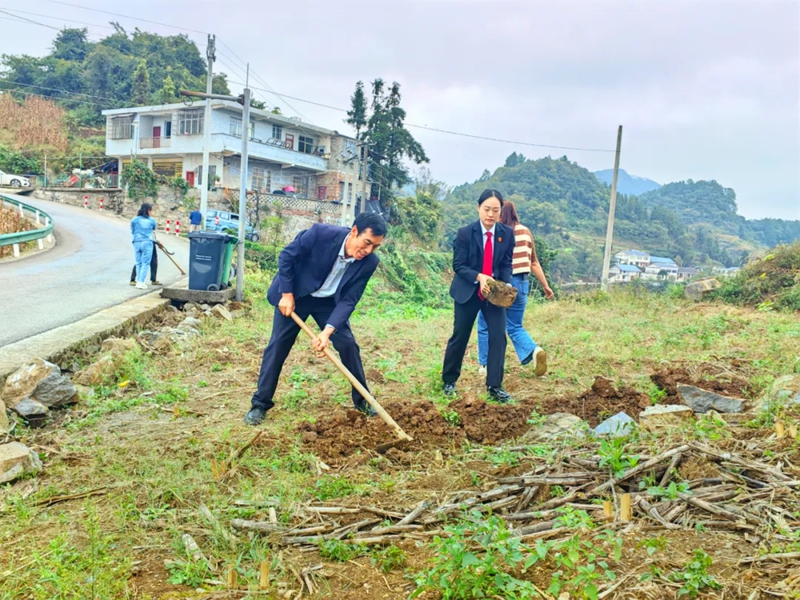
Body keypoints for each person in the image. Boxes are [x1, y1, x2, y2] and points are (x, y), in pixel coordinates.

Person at [244, 212, 387, 426]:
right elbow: (287, 257)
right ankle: (260, 404)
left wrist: (327, 332)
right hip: (296, 295)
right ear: (354, 231)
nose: (368, 251)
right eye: (367, 243)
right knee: (277, 346)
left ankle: (363, 401)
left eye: (375, 247)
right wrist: (286, 294)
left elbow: (349, 299)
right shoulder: (321, 234)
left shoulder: (368, 263)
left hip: (327, 303)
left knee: (348, 344)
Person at [442, 189, 515, 402]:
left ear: (501, 212)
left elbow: (505, 263)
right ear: (478, 208)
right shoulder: (465, 233)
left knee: (498, 337)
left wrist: (505, 284)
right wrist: (479, 277)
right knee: (460, 336)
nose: (490, 214)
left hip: (494, 294)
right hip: (468, 290)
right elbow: (458, 265)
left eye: (495, 210)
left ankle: (494, 386)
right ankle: (449, 381)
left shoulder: (506, 234)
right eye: (486, 209)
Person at [476, 201, 554, 377]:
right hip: (522, 283)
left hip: (501, 284)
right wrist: (545, 285)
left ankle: (485, 365)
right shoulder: (525, 231)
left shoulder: (496, 232)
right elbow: (534, 262)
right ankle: (534, 351)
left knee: (484, 324)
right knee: (514, 326)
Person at [130, 203, 158, 290]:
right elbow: (154, 228)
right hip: (147, 242)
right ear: (149, 210)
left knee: (138, 263)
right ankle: (141, 282)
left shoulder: (134, 220)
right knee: (145, 263)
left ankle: (139, 281)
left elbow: (132, 231)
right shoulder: (151, 220)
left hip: (136, 242)